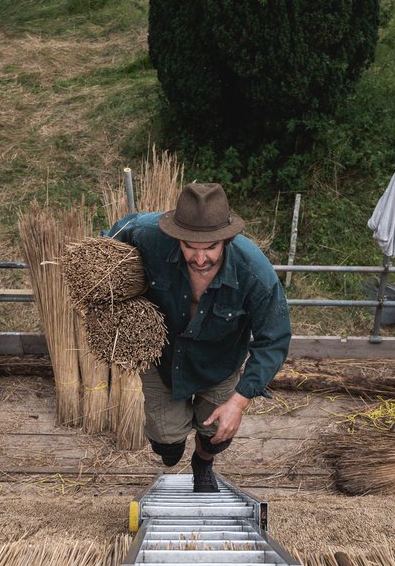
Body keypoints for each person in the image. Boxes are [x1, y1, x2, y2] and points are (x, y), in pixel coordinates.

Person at [106, 183, 291, 492]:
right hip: (164, 357)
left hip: (220, 362)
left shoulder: (254, 273)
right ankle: (173, 447)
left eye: (210, 247)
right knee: (167, 449)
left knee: (216, 437)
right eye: (191, 246)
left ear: (227, 239)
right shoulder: (150, 234)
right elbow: (119, 232)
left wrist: (240, 402)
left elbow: (274, 339)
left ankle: (203, 463)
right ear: (177, 236)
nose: (200, 257)